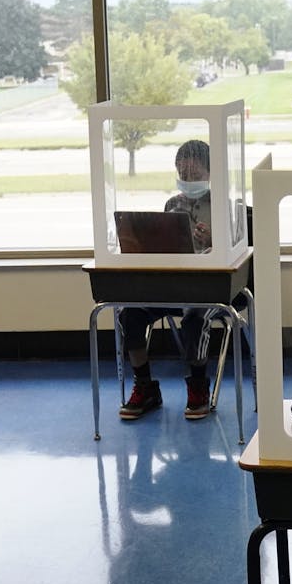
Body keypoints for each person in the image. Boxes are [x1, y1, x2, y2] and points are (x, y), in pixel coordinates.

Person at [118, 139, 219, 422]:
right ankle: (145, 385)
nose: (188, 180)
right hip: (174, 283)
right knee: (131, 314)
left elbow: (237, 251)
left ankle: (198, 383)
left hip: (210, 285)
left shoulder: (224, 205)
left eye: (195, 175)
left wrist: (213, 241)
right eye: (183, 174)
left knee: (194, 317)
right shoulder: (172, 204)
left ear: (211, 173)